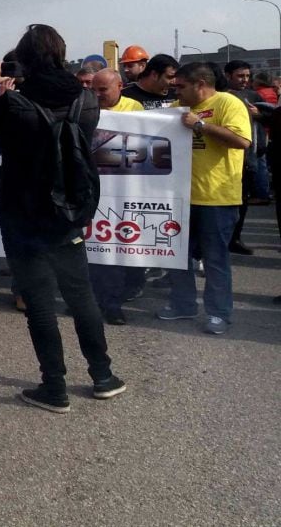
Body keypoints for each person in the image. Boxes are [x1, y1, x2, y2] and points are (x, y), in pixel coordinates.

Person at [0, 24, 124, 412]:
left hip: (23, 214)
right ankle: (103, 376)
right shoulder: (86, 98)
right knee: (81, 295)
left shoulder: (12, 101)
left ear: (24, 57)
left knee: (39, 303)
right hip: (69, 208)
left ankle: (55, 388)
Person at [157, 63, 251, 335]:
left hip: (217, 199)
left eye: (181, 86)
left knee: (214, 259)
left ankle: (218, 313)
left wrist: (201, 125)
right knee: (178, 256)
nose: (177, 91)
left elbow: (242, 141)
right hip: (181, 198)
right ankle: (183, 304)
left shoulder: (227, 103)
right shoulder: (177, 107)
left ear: (200, 84)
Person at [87, 70, 145, 325]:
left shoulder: (135, 108)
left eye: (103, 90)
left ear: (120, 86)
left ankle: (113, 304)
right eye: (94, 90)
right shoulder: (85, 106)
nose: (97, 95)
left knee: (118, 250)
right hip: (93, 186)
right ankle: (93, 302)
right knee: (95, 249)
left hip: (125, 187)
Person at [223, 60, 267, 254]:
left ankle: (235, 239)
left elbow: (269, 117)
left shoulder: (253, 96)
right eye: (240, 76)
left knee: (243, 201)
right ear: (228, 76)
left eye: (247, 76)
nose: (245, 80)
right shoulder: (222, 97)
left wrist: (259, 115)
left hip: (251, 156)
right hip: (228, 158)